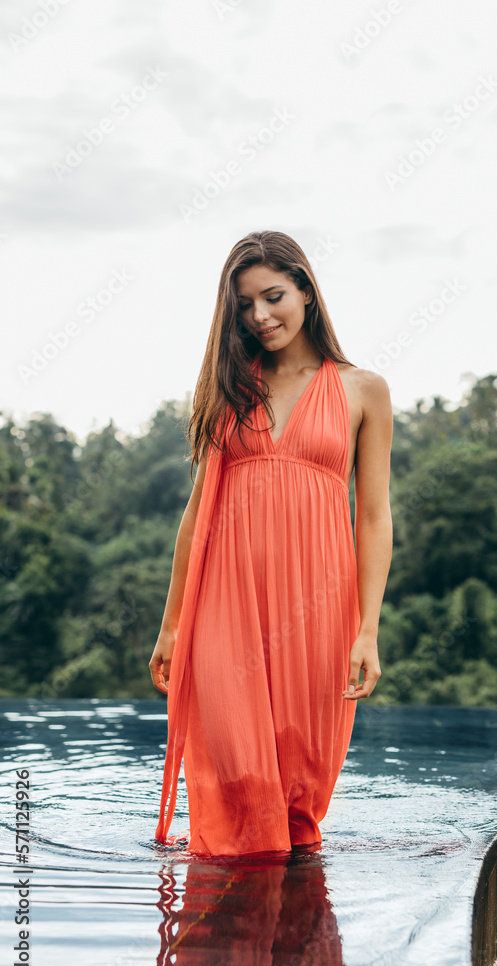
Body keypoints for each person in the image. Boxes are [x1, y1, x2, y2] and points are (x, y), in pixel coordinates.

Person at [149, 230, 393, 857]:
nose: (260, 316)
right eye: (245, 307)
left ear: (307, 290)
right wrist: (173, 625)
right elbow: (196, 513)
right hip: (227, 603)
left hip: (319, 609)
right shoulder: (232, 389)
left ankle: (290, 944)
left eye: (273, 296)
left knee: (299, 792)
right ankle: (229, 943)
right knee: (237, 780)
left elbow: (372, 518)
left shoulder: (363, 390)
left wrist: (367, 630)